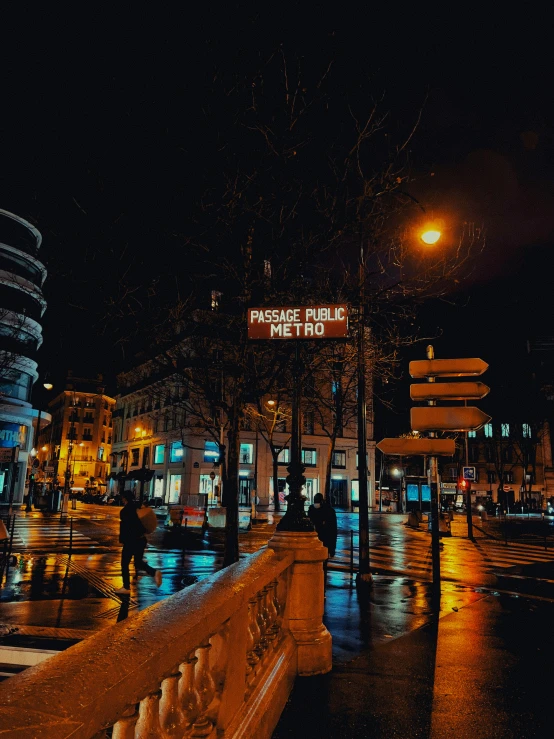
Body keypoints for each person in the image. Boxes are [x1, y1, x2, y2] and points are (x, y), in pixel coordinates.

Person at [115, 490, 162, 595]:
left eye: (123, 498)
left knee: (124, 564)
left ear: (125, 498)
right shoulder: (138, 507)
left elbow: (125, 528)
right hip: (141, 540)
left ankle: (126, 587)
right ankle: (154, 572)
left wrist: (122, 540)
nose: (122, 500)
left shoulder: (125, 511)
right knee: (138, 562)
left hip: (130, 541)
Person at [308, 493, 338, 559]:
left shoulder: (329, 511)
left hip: (324, 539)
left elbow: (333, 531)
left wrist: (332, 548)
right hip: (316, 539)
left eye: (317, 501)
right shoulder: (311, 509)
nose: (316, 503)